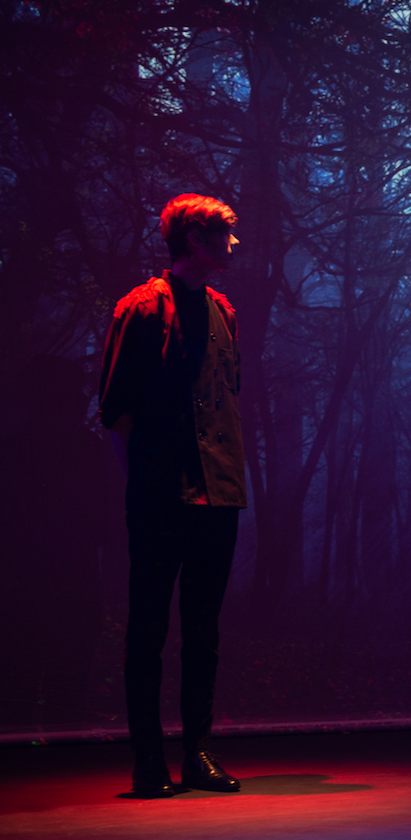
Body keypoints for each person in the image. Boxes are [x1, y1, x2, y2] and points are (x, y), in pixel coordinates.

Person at [98, 194, 247, 796]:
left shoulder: (222, 311)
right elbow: (117, 409)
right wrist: (142, 482)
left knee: (203, 630)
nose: (232, 245)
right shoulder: (141, 309)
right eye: (223, 235)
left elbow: (226, 396)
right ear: (194, 239)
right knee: (148, 629)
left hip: (218, 492)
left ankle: (198, 752)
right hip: (163, 495)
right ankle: (148, 758)